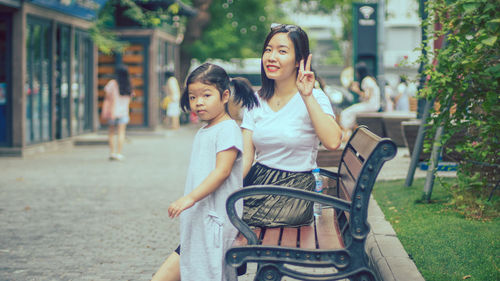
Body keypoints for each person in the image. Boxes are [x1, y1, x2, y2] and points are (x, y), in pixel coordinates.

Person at [151, 63, 259, 281]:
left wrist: (189, 198)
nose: (198, 102)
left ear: (225, 95)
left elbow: (222, 171)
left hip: (215, 220)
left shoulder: (227, 129)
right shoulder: (206, 130)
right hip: (201, 218)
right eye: (192, 97)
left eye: (206, 95)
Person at [240, 24, 342, 228]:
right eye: (268, 50)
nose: (271, 57)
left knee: (222, 220)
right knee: (214, 213)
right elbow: (245, 158)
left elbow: (333, 141)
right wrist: (221, 187)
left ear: (299, 61)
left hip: (294, 191)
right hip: (258, 182)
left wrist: (307, 96)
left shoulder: (314, 98)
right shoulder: (255, 100)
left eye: (282, 51)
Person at [339, 61, 381, 141]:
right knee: (350, 112)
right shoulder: (369, 79)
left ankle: (346, 131)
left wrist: (356, 90)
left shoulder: (366, 80)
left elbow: (367, 96)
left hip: (370, 105)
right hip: (373, 105)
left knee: (346, 112)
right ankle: (348, 132)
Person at [100, 64, 134, 161]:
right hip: (123, 112)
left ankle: (112, 153)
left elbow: (107, 97)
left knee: (111, 132)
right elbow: (130, 98)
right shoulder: (129, 84)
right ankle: (119, 153)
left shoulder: (112, 83)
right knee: (121, 133)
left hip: (112, 112)